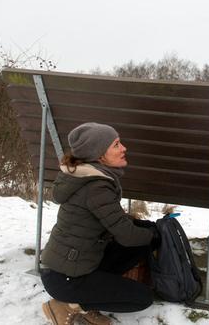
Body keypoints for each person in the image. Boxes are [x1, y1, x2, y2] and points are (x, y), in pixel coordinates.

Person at [39, 122, 161, 325]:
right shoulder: (97, 187)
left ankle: (84, 298)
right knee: (142, 298)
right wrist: (157, 235)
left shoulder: (88, 176)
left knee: (144, 237)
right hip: (67, 278)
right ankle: (70, 305)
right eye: (116, 144)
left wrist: (148, 233)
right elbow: (127, 235)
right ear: (99, 155)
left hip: (71, 267)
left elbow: (116, 225)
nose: (124, 148)